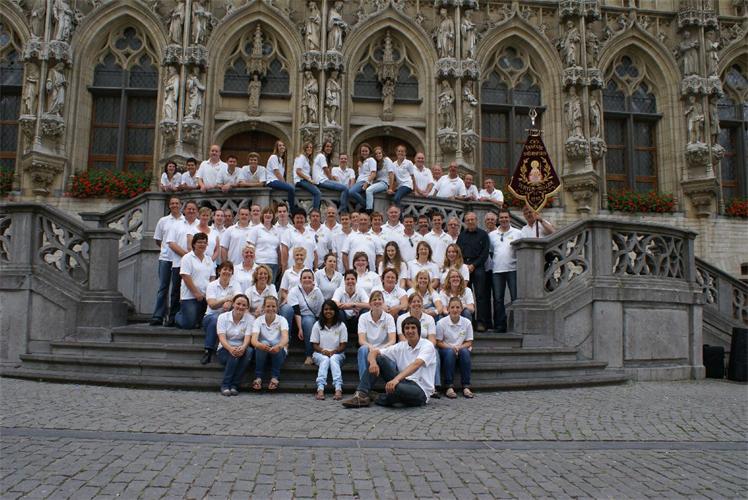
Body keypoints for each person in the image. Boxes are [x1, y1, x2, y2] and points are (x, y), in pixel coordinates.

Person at [342, 315, 436, 408]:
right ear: (403, 331)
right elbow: (374, 352)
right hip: (403, 381)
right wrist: (373, 363)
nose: (410, 331)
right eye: (407, 328)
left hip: (420, 389)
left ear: (418, 330)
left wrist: (396, 380)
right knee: (379, 359)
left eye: (413, 328)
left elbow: (416, 364)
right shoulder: (401, 346)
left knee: (397, 388)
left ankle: (379, 397)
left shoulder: (427, 345)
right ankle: (361, 394)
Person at [342, 290, 396, 407]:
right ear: (370, 303)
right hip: (369, 348)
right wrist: (372, 348)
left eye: (379, 299)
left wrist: (379, 350)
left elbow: (392, 340)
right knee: (362, 349)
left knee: (389, 353)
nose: (377, 302)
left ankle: (364, 391)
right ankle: (365, 388)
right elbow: (361, 340)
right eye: (374, 299)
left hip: (384, 350)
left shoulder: (389, 318)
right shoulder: (363, 317)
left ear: (383, 302)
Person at [397, 292, 440, 393]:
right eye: (413, 302)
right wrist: (414, 347)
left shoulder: (429, 318)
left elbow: (432, 339)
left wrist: (425, 348)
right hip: (407, 345)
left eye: (418, 301)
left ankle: (434, 386)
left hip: (424, 347)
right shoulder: (401, 318)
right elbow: (402, 337)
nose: (416, 304)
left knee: (435, 352)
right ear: (409, 304)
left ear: (422, 303)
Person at [165, 200, 199, 326]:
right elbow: (171, 243)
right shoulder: (176, 225)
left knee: (194, 291)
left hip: (196, 267)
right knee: (176, 292)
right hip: (178, 264)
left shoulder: (200, 225)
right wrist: (187, 257)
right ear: (184, 210)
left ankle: (194, 319)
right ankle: (173, 318)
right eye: (189, 209)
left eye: (193, 209)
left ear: (197, 211)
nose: (191, 211)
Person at [151, 197, 184, 326]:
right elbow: (158, 240)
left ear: (180, 205)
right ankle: (158, 315)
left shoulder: (185, 221)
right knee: (163, 287)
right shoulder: (163, 221)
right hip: (165, 258)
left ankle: (173, 316)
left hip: (179, 259)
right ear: (169, 206)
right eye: (172, 203)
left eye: (177, 203)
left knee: (176, 289)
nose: (174, 205)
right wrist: (165, 249)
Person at [201, 261, 240, 364]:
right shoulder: (211, 285)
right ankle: (208, 351)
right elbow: (212, 305)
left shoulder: (236, 284)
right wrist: (226, 299)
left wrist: (230, 303)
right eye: (225, 269)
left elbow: (239, 300)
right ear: (219, 271)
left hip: (228, 318)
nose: (227, 272)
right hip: (210, 317)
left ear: (232, 273)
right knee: (216, 319)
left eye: (230, 270)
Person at [215, 294, 254, 396]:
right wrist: (230, 348)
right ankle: (226, 385)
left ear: (247, 307)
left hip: (241, 348)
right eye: (238, 304)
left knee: (249, 351)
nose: (240, 307)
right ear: (233, 304)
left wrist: (243, 347)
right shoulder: (223, 317)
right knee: (234, 355)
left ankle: (234, 385)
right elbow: (222, 338)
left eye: (244, 305)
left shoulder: (250, 319)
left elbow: (248, 338)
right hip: (224, 349)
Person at [457, 211, 490, 331]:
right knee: (464, 295)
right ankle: (470, 322)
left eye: (472, 219)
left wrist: (474, 265)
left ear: (476, 220)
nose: (470, 222)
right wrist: (464, 266)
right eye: (468, 220)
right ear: (465, 222)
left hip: (478, 267)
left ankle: (481, 322)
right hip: (464, 267)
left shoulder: (483, 235)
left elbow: (485, 253)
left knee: (480, 295)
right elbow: (458, 252)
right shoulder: (461, 236)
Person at [436, 297, 474, 398]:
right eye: (452, 307)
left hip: (461, 348)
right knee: (450, 352)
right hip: (446, 349)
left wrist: (459, 347)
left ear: (461, 309)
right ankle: (449, 386)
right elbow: (438, 342)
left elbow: (469, 342)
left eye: (457, 307)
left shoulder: (467, 322)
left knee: (465, 352)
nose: (455, 310)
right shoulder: (441, 323)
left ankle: (466, 386)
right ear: (448, 309)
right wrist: (451, 347)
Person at [490, 208, 522, 333]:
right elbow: (491, 251)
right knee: (498, 299)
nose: (504, 219)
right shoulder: (492, 235)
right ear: (498, 219)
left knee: (515, 298)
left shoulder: (518, 233)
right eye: (501, 217)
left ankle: (517, 325)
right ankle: (500, 325)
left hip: (513, 269)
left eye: (506, 217)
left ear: (510, 218)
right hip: (497, 270)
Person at [176, 233, 215, 329]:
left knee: (200, 323)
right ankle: (177, 316)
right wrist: (196, 293)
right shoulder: (187, 258)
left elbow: (212, 277)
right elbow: (186, 276)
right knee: (188, 325)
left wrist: (210, 293)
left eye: (204, 243)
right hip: (190, 296)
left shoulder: (209, 259)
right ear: (194, 244)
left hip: (205, 297)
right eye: (199, 242)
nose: (202, 245)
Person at [250, 296, 289, 391]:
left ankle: (275, 377)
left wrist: (279, 346)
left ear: (277, 308)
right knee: (263, 342)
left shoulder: (282, 320)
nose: (271, 308)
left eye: (273, 306)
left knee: (277, 343)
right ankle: (258, 377)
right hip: (262, 351)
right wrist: (260, 345)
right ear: (263, 307)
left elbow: (285, 338)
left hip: (278, 351)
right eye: (268, 306)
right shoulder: (258, 320)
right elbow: (253, 340)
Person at [311, 300, 347, 400]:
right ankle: (320, 388)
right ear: (322, 311)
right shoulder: (317, 325)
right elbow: (314, 345)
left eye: (331, 309)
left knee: (333, 359)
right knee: (325, 359)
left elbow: (343, 345)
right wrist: (323, 351)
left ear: (335, 311)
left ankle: (338, 388)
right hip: (319, 353)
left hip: (338, 353)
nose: (328, 311)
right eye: (326, 309)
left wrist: (334, 351)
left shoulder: (341, 325)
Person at [287, 269, 325, 365]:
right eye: (304, 278)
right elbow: (296, 311)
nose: (307, 279)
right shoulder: (294, 290)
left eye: (309, 277)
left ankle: (309, 355)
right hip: (295, 317)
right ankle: (285, 343)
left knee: (308, 322)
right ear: (300, 280)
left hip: (310, 317)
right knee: (286, 309)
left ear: (313, 280)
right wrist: (300, 328)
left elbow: (321, 310)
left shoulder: (317, 291)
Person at [313, 140, 350, 211]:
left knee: (340, 186)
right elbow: (326, 170)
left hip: (322, 180)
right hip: (321, 181)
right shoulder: (321, 156)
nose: (329, 148)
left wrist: (333, 179)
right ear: (323, 147)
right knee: (345, 188)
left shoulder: (323, 157)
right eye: (327, 146)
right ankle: (342, 210)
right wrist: (332, 180)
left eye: (330, 147)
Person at [248, 206, 282, 282]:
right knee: (259, 284)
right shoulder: (256, 229)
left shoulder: (277, 230)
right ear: (262, 215)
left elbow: (278, 249)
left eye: (270, 213)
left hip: (273, 263)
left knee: (271, 285)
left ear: (273, 216)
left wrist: (280, 264)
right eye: (266, 213)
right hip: (259, 262)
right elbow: (250, 247)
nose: (268, 215)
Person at [332, 270, 369, 335]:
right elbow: (334, 303)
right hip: (343, 319)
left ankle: (361, 336)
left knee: (365, 311)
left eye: (352, 279)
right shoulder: (340, 290)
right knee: (339, 312)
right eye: (348, 279)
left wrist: (353, 304)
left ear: (356, 280)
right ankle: (343, 336)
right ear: (344, 281)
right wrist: (351, 306)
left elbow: (369, 305)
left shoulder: (360, 290)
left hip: (356, 319)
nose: (350, 281)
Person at [266, 140, 295, 209]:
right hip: (272, 181)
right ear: (277, 148)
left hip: (277, 181)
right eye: (280, 145)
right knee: (291, 188)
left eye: (283, 145)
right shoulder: (273, 157)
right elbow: (277, 172)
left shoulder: (281, 160)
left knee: (291, 187)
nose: (282, 147)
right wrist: (285, 183)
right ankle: (292, 208)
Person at [294, 141, 322, 210]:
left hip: (304, 180)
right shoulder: (301, 157)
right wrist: (309, 179)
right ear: (304, 148)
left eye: (311, 147)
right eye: (307, 147)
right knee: (317, 193)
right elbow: (298, 171)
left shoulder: (306, 159)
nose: (309, 149)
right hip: (300, 181)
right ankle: (315, 212)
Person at [348, 143, 375, 210]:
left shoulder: (371, 160)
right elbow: (361, 174)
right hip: (359, 181)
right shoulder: (362, 161)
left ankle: (367, 205)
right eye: (362, 151)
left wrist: (366, 183)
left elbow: (373, 173)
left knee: (351, 192)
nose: (364, 153)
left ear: (369, 151)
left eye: (366, 151)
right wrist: (361, 166)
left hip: (364, 181)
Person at [365, 146, 390, 211]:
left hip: (384, 183)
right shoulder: (376, 162)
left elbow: (392, 173)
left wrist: (391, 188)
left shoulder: (386, 160)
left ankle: (369, 210)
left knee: (369, 190)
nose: (378, 155)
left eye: (379, 153)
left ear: (382, 153)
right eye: (376, 154)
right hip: (377, 182)